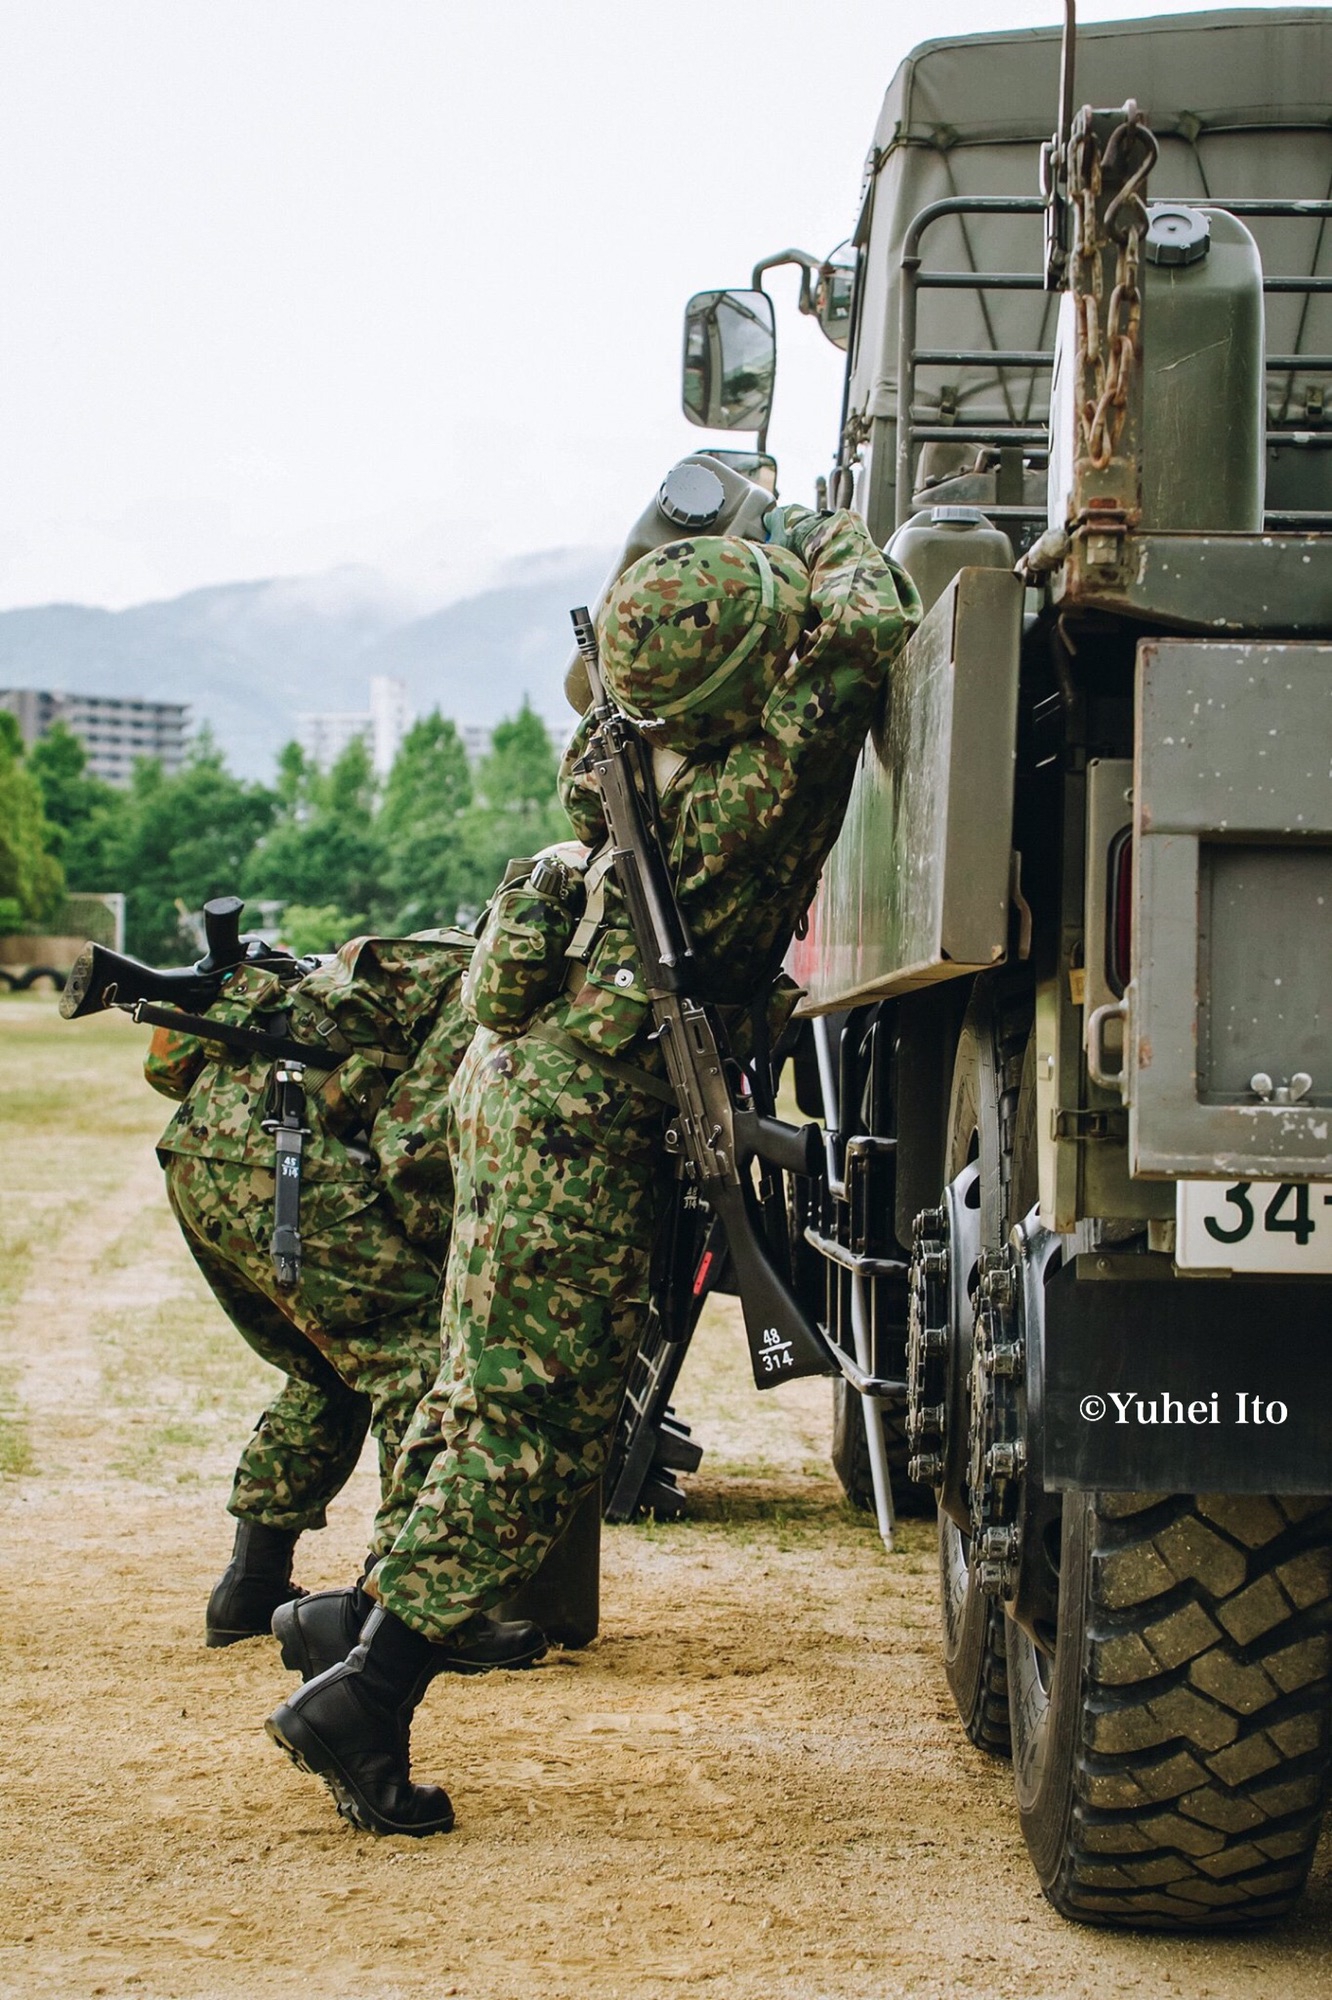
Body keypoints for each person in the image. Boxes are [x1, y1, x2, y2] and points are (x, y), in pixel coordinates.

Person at [266, 506, 921, 1836]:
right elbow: (868, 620)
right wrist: (806, 526)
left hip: (516, 1087)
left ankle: (359, 1611)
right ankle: (368, 1692)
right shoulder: (758, 777)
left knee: (479, 1383)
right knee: (545, 1423)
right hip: (583, 1119)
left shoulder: (624, 754)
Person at [147, 925, 545, 1680]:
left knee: (328, 1369)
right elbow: (415, 1145)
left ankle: (250, 1586)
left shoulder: (423, 955)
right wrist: (450, 1256)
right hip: (278, 1170)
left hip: (205, 1156)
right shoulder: (479, 992)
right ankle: (408, 1606)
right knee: (418, 1358)